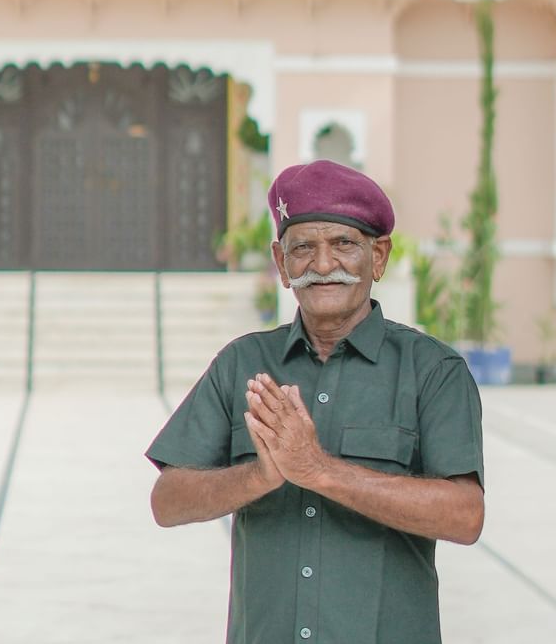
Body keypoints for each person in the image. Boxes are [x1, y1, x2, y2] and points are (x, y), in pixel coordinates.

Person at [146, 160, 485, 644]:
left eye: (344, 244)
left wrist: (318, 470)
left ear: (379, 256)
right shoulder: (242, 362)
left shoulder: (431, 371)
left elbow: (465, 515)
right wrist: (259, 476)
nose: (323, 265)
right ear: (282, 264)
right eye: (303, 247)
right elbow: (167, 501)